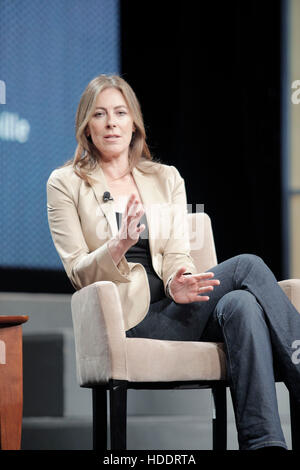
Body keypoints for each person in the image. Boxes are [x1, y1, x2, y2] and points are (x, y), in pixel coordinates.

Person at [47, 74, 300, 451]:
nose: (111, 122)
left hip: (175, 309)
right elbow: (77, 271)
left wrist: (178, 280)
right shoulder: (66, 182)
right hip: (128, 320)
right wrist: (118, 245)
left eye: (120, 112)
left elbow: (179, 251)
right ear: (87, 126)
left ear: (134, 122)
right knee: (247, 265)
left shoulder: (165, 178)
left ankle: (264, 445)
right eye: (100, 114)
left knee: (241, 304)